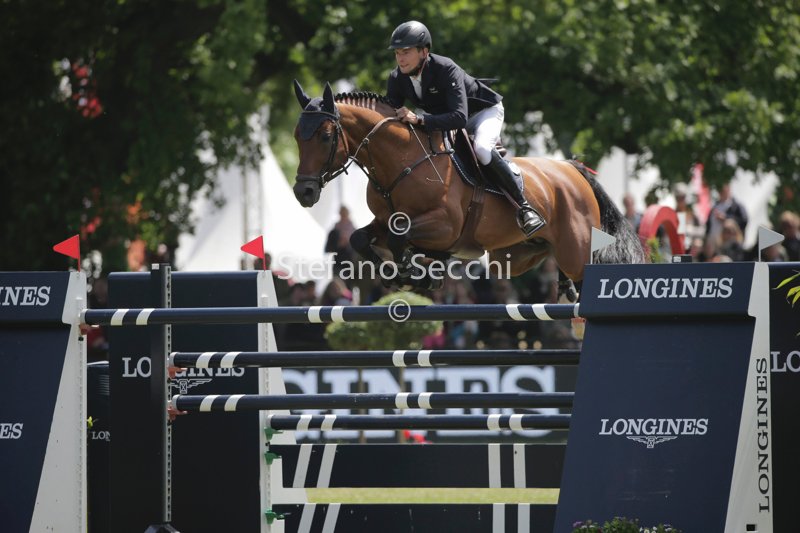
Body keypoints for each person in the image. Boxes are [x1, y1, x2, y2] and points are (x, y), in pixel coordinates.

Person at [385, 20, 545, 237]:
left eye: (406, 52)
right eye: (397, 53)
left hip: (482, 113)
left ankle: (525, 208)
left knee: (482, 149)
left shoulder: (445, 68)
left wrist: (420, 120)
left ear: (424, 51)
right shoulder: (397, 78)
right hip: (445, 118)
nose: (400, 58)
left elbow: (460, 118)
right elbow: (391, 112)